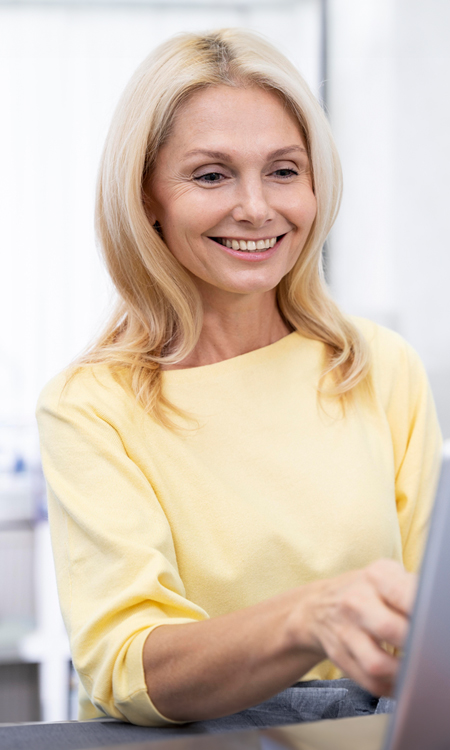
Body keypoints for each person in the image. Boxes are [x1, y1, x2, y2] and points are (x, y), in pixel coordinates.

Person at [36, 28, 442, 731]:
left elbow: (432, 616)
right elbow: (128, 663)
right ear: (147, 197)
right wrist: (311, 618)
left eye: (283, 170)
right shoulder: (92, 406)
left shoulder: (379, 366)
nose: (256, 208)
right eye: (211, 174)